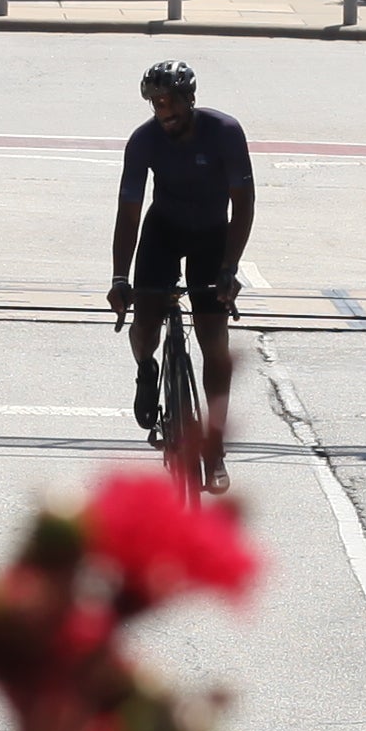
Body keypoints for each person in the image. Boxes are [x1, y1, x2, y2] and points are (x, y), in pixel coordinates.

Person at [108, 59, 254, 491]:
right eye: (155, 104)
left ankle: (215, 447)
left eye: (170, 102)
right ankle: (146, 369)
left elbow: (243, 203)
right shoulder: (143, 141)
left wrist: (230, 268)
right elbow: (129, 211)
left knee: (215, 339)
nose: (163, 111)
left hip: (212, 235)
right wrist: (120, 278)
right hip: (163, 232)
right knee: (145, 322)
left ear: (190, 99)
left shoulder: (224, 132)